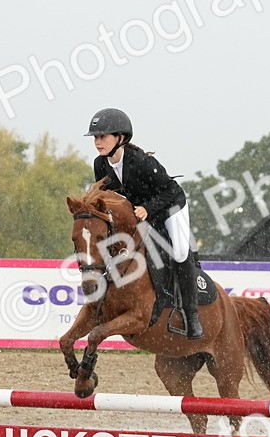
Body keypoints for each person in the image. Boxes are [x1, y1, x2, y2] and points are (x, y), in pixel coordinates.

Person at [87, 107, 204, 339]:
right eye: (95, 137)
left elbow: (170, 190)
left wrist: (148, 209)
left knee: (180, 252)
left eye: (103, 136)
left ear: (120, 138)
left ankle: (192, 315)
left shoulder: (142, 162)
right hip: (139, 213)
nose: (98, 142)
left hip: (170, 207)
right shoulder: (100, 164)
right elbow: (107, 197)